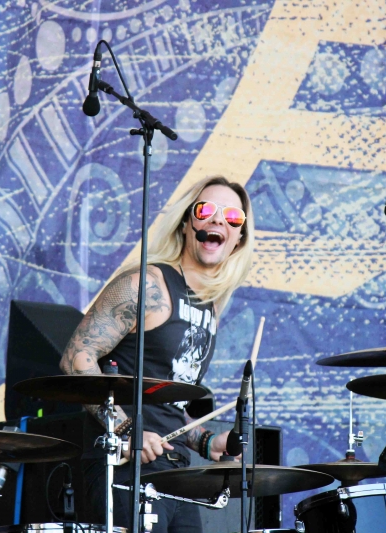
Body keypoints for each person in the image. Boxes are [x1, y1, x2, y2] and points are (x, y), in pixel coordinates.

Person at [59, 175, 255, 532]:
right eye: (206, 210)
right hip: (124, 468)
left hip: (175, 473)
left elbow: (168, 407)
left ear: (238, 239)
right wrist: (126, 431)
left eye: (232, 217)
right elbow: (77, 359)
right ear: (186, 223)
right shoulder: (148, 284)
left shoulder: (209, 308)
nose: (218, 219)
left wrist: (206, 441)